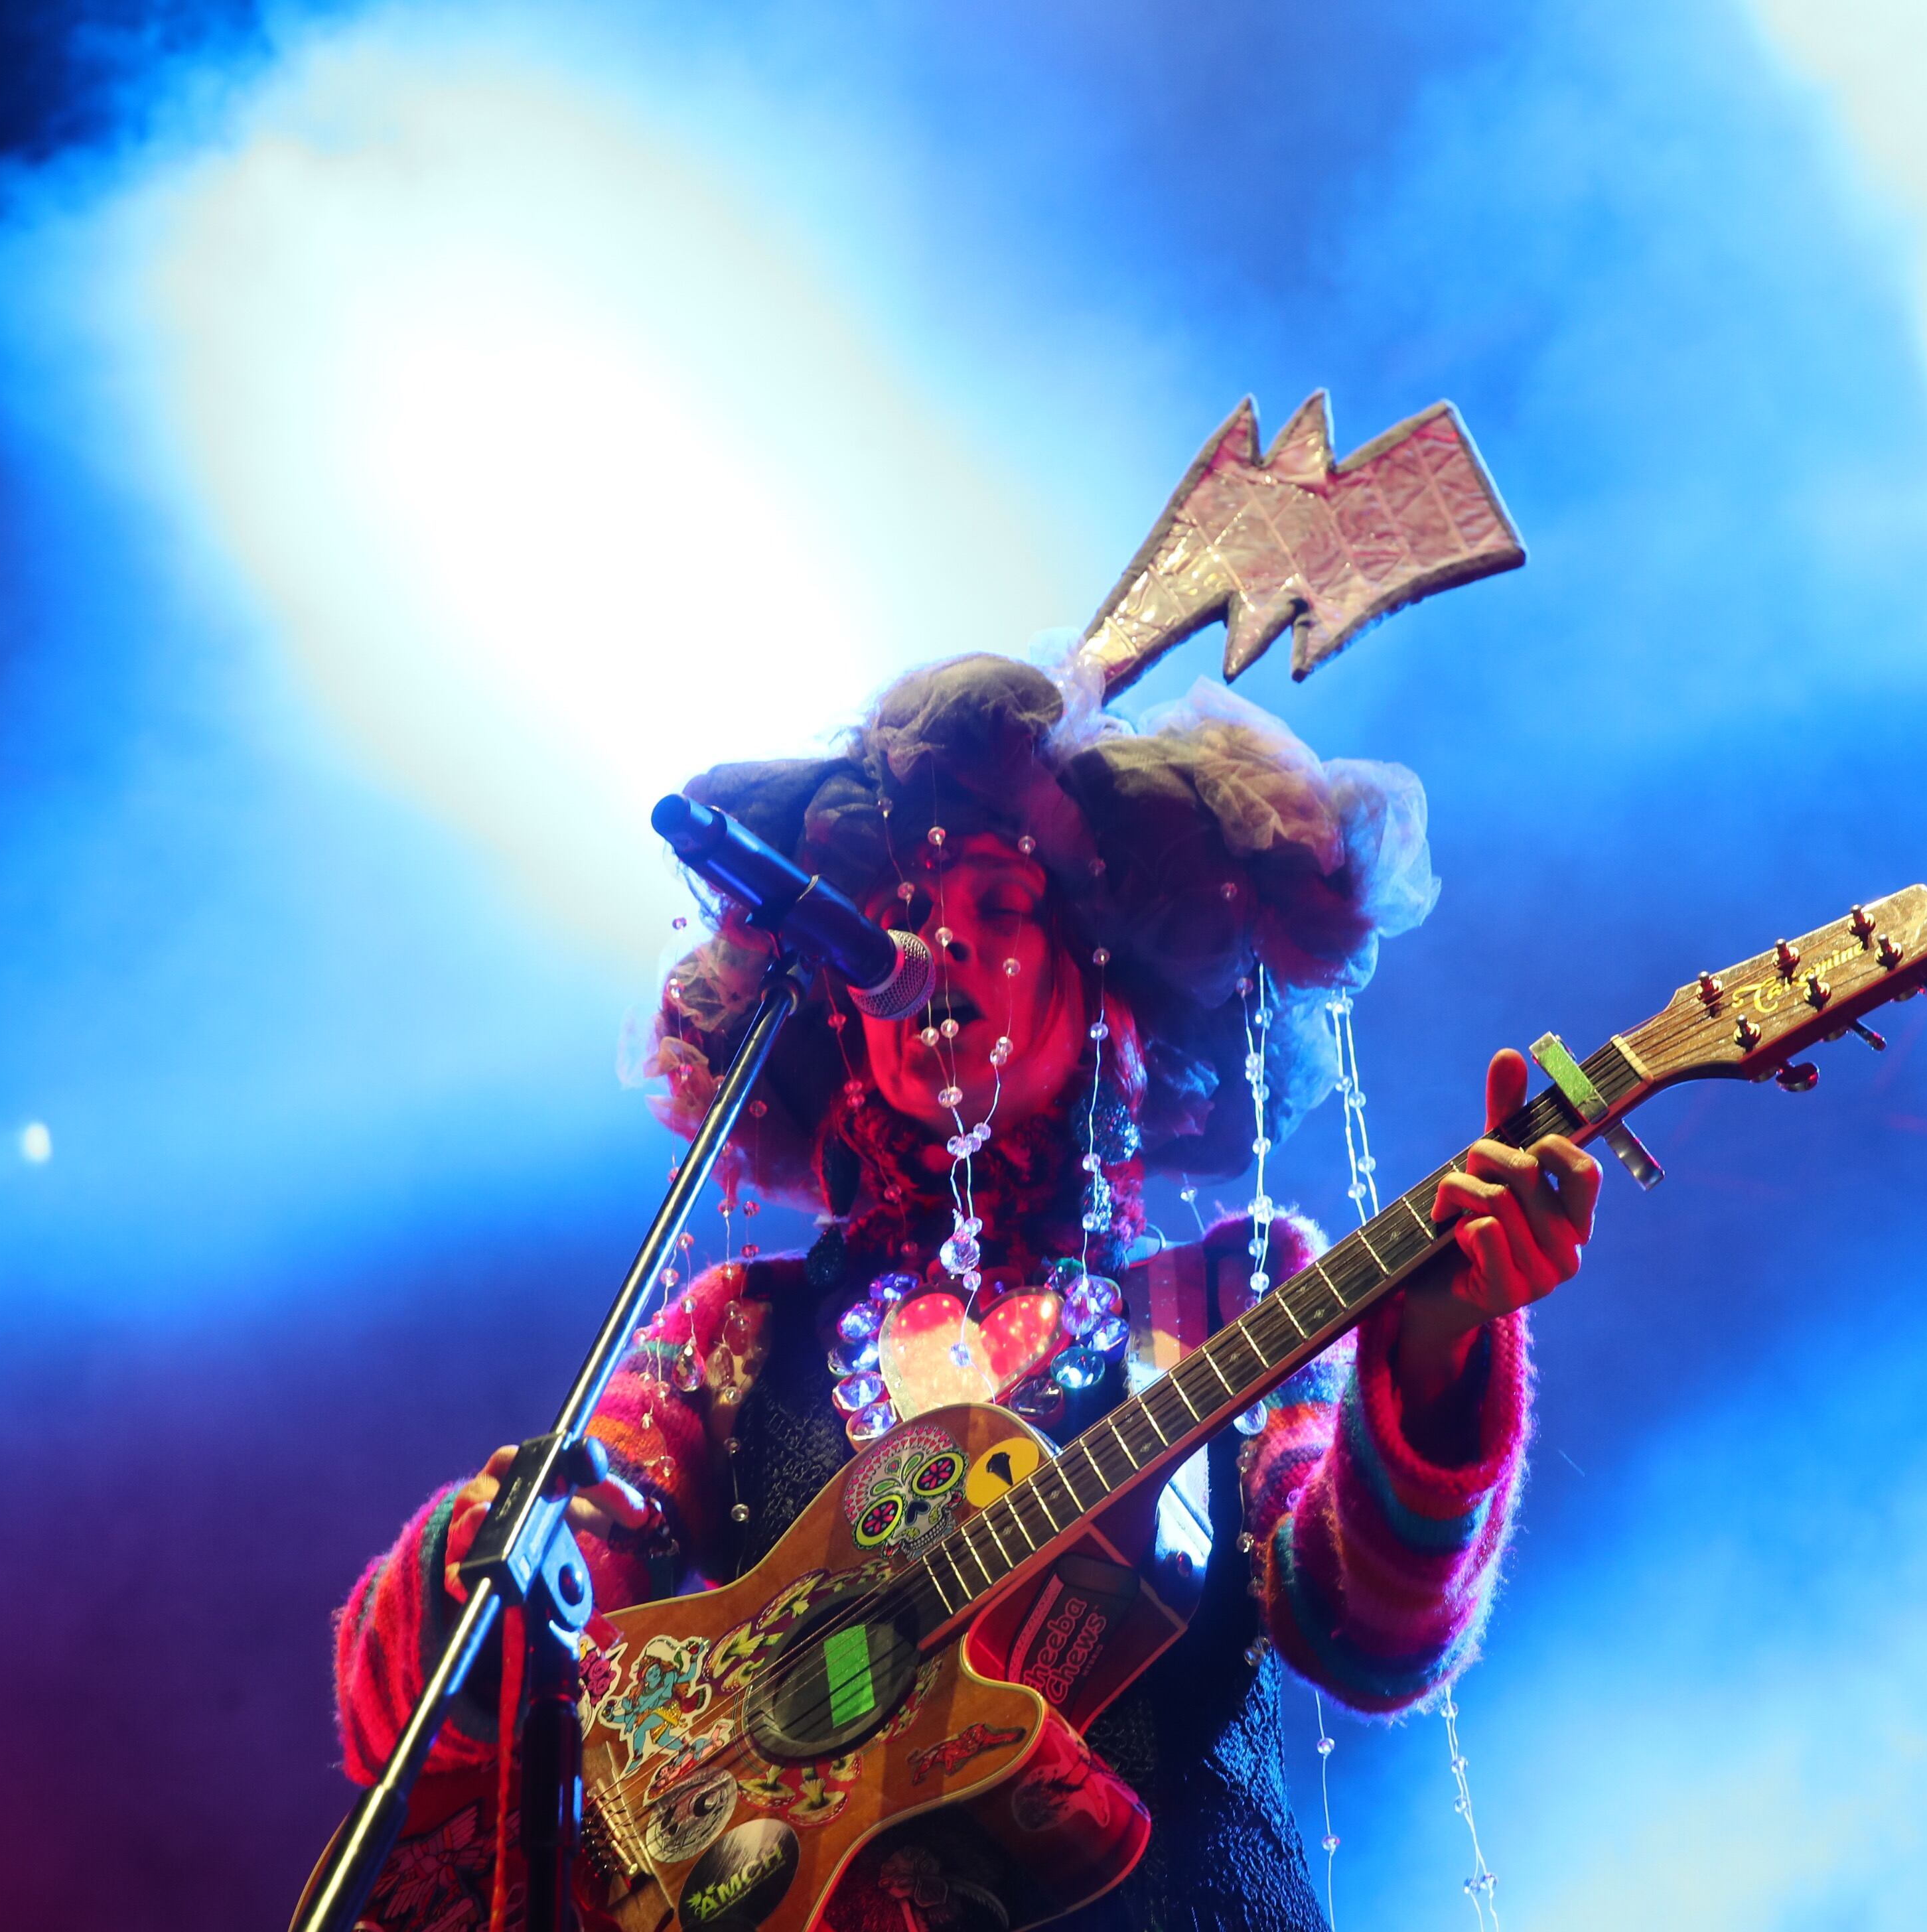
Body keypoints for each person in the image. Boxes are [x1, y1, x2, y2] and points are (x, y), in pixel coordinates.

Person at [330, 655, 1599, 1931]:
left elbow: (1370, 1635)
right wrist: (490, 1564)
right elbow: (425, 1703)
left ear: (1105, 984)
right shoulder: (739, 1330)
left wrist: (1436, 1352)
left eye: (999, 907)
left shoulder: (1234, 1296)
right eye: (895, 913)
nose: (930, 946)